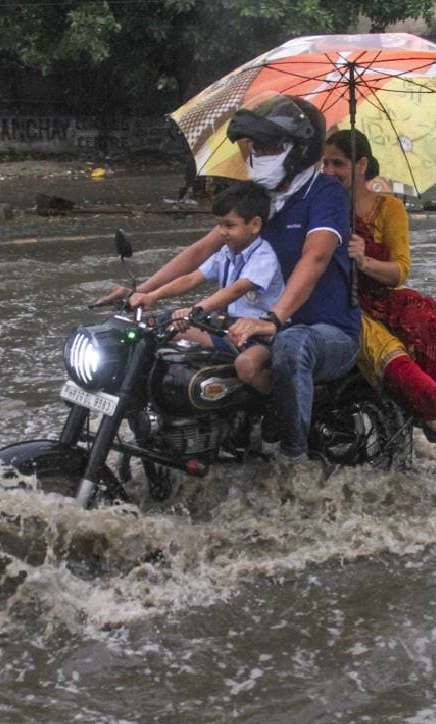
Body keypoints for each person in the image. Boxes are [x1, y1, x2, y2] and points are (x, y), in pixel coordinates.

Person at [94, 94, 359, 464]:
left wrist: (273, 319)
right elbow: (199, 253)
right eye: (257, 147)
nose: (260, 155)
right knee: (166, 331)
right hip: (262, 322)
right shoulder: (258, 201)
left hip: (325, 329)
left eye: (272, 146)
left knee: (293, 343)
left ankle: (292, 456)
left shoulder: (325, 193)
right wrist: (143, 291)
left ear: (299, 150)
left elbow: (315, 258)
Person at [321, 129, 436, 447]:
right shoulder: (320, 208)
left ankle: (430, 412)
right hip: (336, 302)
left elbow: (399, 271)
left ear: (361, 165)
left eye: (338, 164)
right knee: (374, 338)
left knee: (425, 320)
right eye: (325, 164)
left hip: (379, 296)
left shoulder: (390, 210)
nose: (329, 172)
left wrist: (364, 261)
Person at [127, 181, 284, 384]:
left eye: (229, 225)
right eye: (219, 224)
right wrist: (151, 295)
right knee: (161, 330)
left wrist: (195, 310)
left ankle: (273, 409)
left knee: (246, 366)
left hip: (258, 334)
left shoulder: (264, 257)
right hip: (227, 328)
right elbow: (192, 278)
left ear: (254, 225)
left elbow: (236, 290)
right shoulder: (227, 253)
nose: (222, 232)